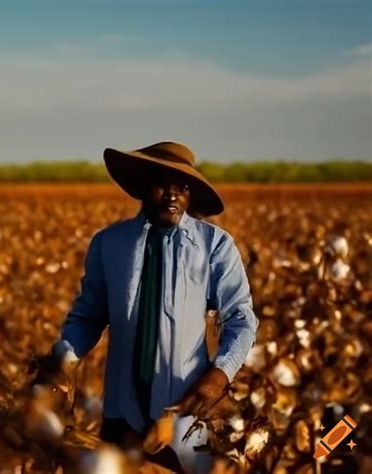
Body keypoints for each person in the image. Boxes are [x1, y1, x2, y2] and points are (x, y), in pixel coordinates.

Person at [50, 141, 258, 470]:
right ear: (145, 188)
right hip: (121, 412)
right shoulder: (110, 243)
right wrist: (62, 360)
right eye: (163, 185)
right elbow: (89, 315)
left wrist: (219, 374)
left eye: (183, 187)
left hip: (185, 412)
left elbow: (241, 318)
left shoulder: (214, 245)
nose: (173, 196)